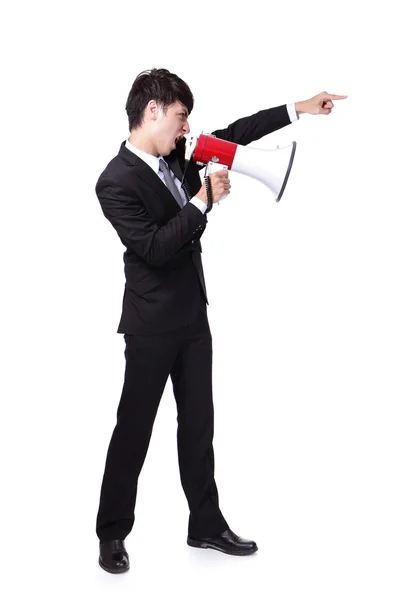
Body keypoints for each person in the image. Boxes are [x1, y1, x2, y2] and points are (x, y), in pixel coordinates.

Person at [94, 68, 347, 574]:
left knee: (199, 426)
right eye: (181, 117)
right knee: (134, 431)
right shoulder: (114, 180)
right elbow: (153, 249)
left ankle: (205, 524)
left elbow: (235, 134)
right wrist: (203, 200)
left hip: (192, 319)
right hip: (149, 327)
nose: (187, 129)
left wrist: (298, 108)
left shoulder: (180, 158)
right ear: (153, 111)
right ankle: (111, 534)